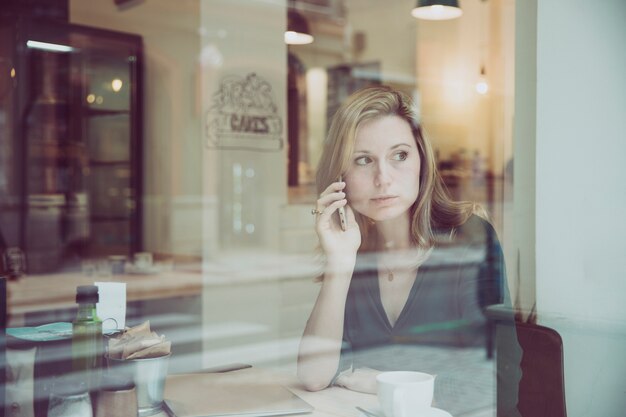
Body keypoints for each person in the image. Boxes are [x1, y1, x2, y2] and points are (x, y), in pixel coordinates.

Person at [297, 86, 518, 402]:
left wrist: (387, 383)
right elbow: (314, 376)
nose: (383, 178)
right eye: (363, 160)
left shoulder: (469, 239)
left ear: (422, 162)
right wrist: (339, 264)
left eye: (399, 155)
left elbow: (491, 383)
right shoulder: (355, 249)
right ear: (340, 176)